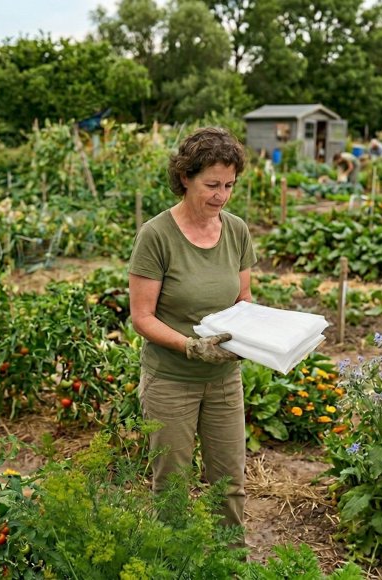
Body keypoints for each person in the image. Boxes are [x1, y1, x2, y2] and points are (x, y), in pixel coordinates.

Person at [128, 126, 256, 534]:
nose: (222, 195)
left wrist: (259, 334)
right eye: (212, 184)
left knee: (229, 481)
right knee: (172, 485)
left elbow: (244, 298)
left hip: (223, 378)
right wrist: (190, 346)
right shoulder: (156, 235)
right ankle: (174, 562)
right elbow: (142, 317)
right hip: (171, 381)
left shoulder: (235, 230)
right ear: (185, 177)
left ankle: (229, 562)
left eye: (230, 185)